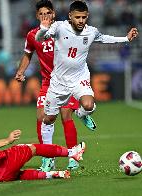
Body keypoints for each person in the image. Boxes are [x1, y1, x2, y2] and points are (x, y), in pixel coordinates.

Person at [35, 1, 138, 145]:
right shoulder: (59, 27)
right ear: (70, 16)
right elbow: (39, 39)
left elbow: (105, 39)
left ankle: (81, 114)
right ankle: (47, 156)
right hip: (59, 81)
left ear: (87, 16)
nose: (81, 21)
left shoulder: (91, 31)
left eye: (83, 17)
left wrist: (126, 39)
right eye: (77, 17)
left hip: (79, 77)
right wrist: (43, 28)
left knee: (88, 105)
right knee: (49, 119)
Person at [15, 0, 94, 172]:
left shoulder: (64, 29)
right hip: (48, 82)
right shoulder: (33, 35)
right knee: (42, 117)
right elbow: (27, 55)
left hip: (68, 80)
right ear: (37, 16)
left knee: (66, 115)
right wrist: (21, 71)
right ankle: (48, 158)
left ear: (53, 14)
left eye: (48, 13)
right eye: (42, 14)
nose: (45, 16)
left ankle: (73, 157)